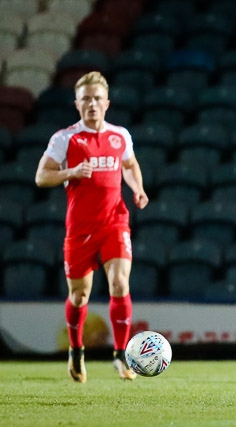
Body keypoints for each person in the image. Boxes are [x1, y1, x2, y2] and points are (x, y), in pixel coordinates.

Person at [35, 71, 149, 383]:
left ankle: (121, 354)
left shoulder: (120, 135)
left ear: (107, 103)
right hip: (80, 229)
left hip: (115, 221)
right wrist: (69, 171)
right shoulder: (65, 138)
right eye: (86, 99)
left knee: (120, 284)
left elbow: (129, 164)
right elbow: (41, 176)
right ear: (77, 103)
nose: (92, 104)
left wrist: (137, 188)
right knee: (79, 297)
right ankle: (76, 350)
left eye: (97, 98)